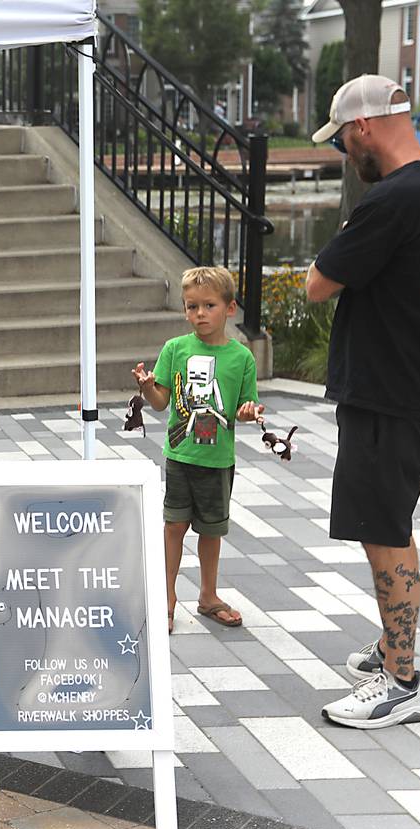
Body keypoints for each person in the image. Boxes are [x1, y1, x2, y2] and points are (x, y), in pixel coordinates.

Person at [306, 75, 420, 730]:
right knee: (390, 520)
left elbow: (317, 284)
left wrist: (345, 230)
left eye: (343, 139)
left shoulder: (393, 199)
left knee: (383, 529)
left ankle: (402, 680)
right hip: (415, 389)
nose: (345, 152)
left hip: (389, 393)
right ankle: (391, 650)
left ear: (363, 127)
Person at [131, 266, 264, 635]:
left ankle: (208, 596)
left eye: (209, 305)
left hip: (218, 460)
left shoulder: (242, 359)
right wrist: (146, 386)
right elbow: (160, 402)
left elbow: (244, 408)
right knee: (173, 525)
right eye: (192, 307)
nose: (200, 314)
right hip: (180, 456)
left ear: (230, 308)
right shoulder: (175, 349)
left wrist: (248, 412)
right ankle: (166, 597)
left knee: (211, 529)